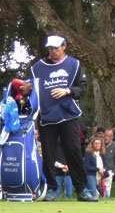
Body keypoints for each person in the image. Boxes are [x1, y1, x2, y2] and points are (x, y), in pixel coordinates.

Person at [26, 35, 97, 202]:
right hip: (46, 117)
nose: (52, 51)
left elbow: (82, 87)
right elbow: (31, 89)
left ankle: (82, 190)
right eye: (50, 48)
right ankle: (51, 189)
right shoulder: (37, 68)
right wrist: (27, 89)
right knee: (49, 154)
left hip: (68, 115)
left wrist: (68, 91)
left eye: (56, 48)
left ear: (64, 46)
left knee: (73, 151)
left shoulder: (74, 64)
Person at [101, 128, 115, 198]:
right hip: (98, 171)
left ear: (112, 137)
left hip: (109, 172)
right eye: (105, 135)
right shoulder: (99, 144)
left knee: (107, 190)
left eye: (109, 136)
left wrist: (113, 171)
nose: (106, 138)